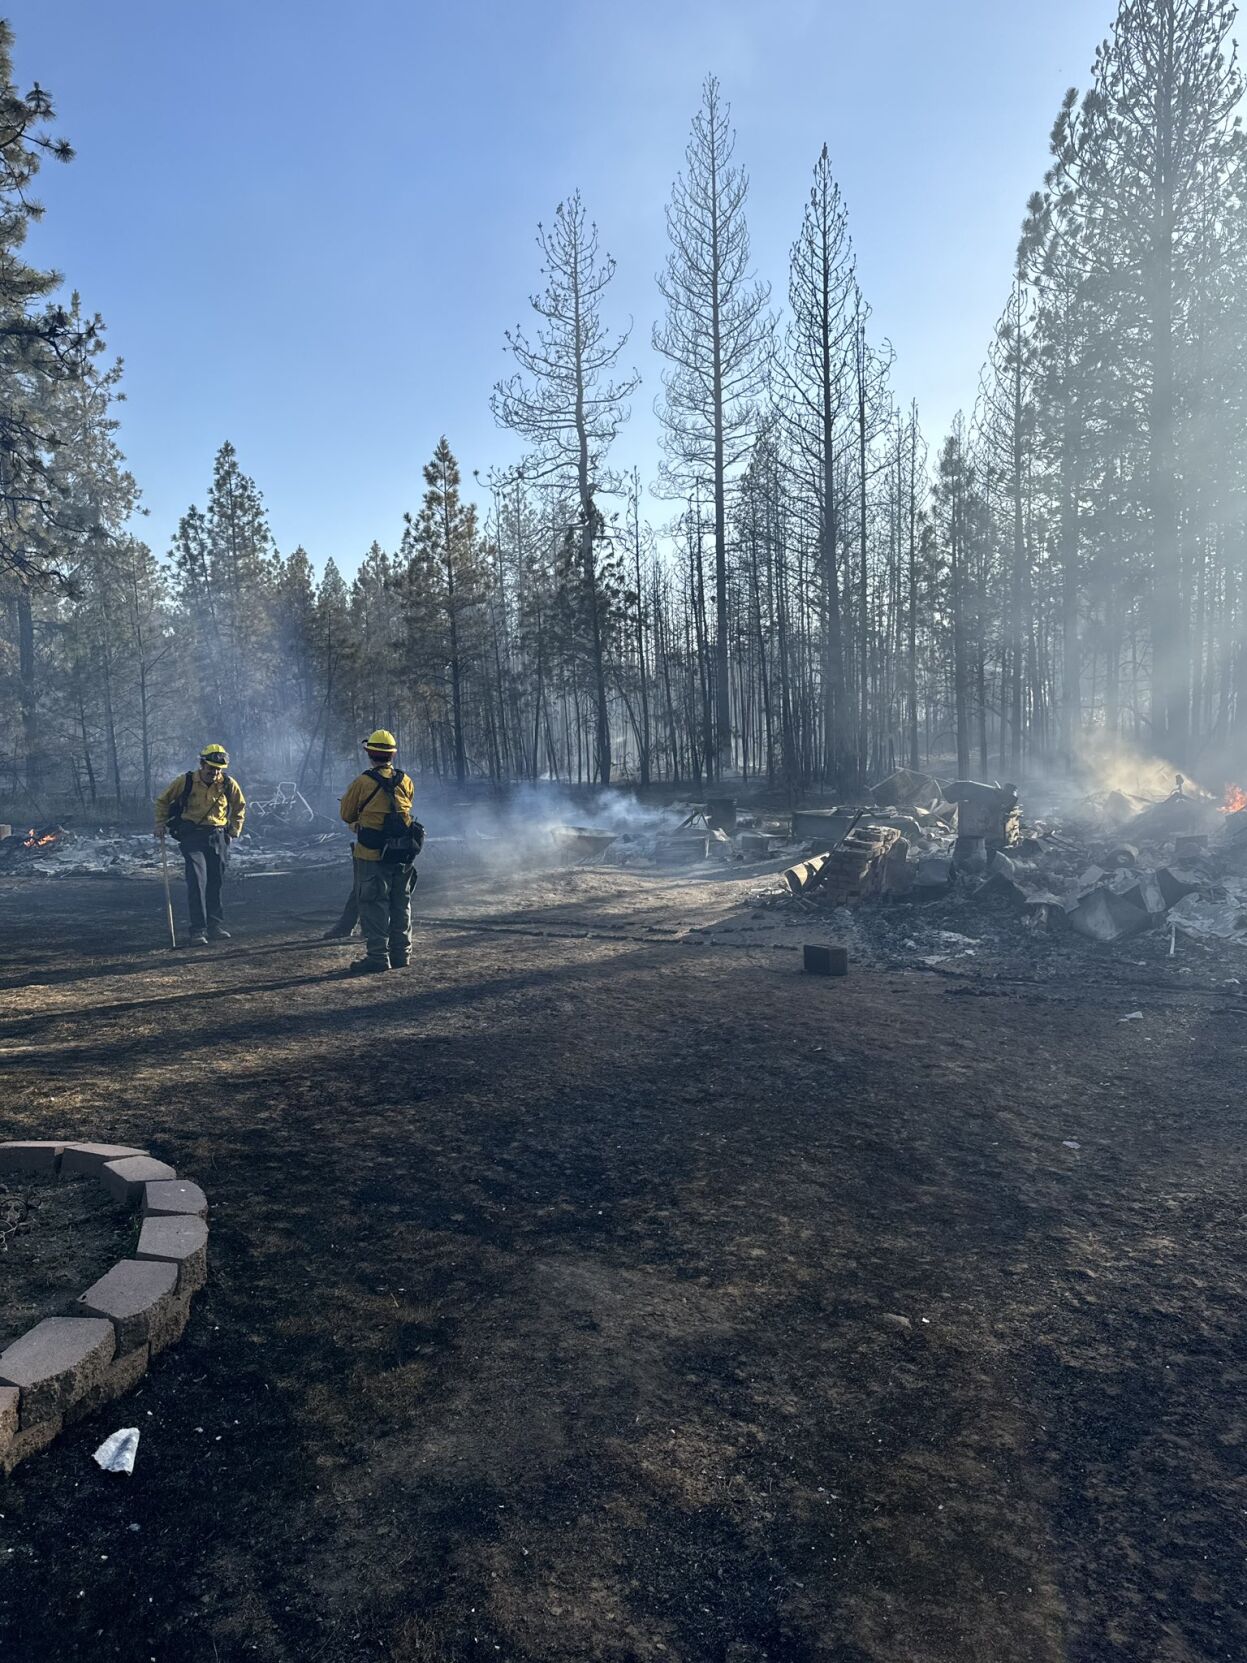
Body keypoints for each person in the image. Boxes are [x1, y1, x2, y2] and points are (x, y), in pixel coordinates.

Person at [338, 730, 423, 973]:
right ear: (392, 754)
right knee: (401, 903)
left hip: (371, 855)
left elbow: (346, 814)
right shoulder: (405, 780)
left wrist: (362, 822)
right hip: (402, 854)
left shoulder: (363, 782)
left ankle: (377, 957)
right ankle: (401, 954)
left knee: (374, 904)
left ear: (370, 754)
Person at [154, 744, 246, 945]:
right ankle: (198, 930)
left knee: (216, 881)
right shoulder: (185, 781)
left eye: (218, 769)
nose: (214, 773)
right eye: (211, 768)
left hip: (218, 836)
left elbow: (240, 806)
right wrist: (160, 824)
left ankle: (214, 926)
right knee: (197, 881)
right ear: (202, 764)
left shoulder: (228, 784)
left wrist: (233, 830)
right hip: (192, 835)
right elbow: (162, 800)